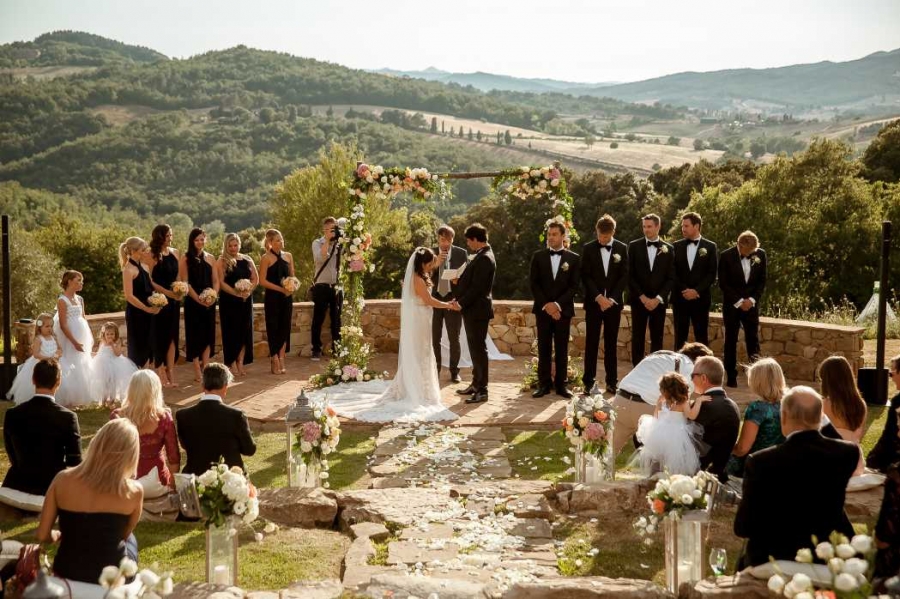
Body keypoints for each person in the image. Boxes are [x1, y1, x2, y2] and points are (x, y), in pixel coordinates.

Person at [320, 248, 460, 423]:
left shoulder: (420, 276)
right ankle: (414, 390)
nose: (432, 266)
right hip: (419, 320)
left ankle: (423, 389)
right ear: (422, 263)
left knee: (423, 352)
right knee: (418, 353)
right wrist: (449, 305)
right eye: (430, 263)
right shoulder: (417, 279)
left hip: (423, 318)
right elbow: (429, 301)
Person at [734, 386, 858, 568]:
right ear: (821, 417)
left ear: (783, 417)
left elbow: (743, 527)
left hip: (772, 558)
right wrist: (820, 420)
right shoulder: (846, 454)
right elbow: (837, 441)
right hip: (822, 556)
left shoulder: (761, 462)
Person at [36, 419, 142, 585]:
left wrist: (56, 534)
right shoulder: (134, 491)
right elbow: (123, 534)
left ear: (96, 443)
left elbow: (42, 534)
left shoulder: (62, 479)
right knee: (131, 539)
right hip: (113, 575)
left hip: (68, 570)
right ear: (131, 455)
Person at [611, 343, 713, 456]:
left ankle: (596, 472)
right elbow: (683, 401)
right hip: (646, 406)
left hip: (620, 399)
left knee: (609, 453)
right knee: (656, 457)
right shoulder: (689, 366)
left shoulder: (658, 354)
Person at [3, 359, 82, 495]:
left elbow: (12, 456)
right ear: (58, 382)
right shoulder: (68, 417)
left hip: (17, 485)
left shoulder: (12, 414)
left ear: (33, 380)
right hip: (51, 488)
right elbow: (75, 462)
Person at [530, 221, 581, 399]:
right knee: (543, 347)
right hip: (543, 310)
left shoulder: (573, 259)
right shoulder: (538, 256)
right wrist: (548, 305)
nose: (551, 237)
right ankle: (543, 384)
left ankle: (561, 385)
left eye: (554, 234)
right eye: (549, 234)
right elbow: (534, 284)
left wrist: (557, 305)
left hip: (563, 310)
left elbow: (574, 287)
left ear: (563, 236)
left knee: (561, 348)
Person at [176, 362, 257, 475]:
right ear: (225, 387)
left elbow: (185, 445)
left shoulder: (183, 415)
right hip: (230, 480)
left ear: (203, 386)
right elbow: (249, 450)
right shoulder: (236, 415)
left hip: (196, 477)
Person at [581, 214, 628, 394]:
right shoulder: (589, 248)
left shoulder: (622, 248)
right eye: (600, 236)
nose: (602, 239)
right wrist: (598, 297)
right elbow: (585, 276)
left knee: (611, 344)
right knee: (591, 343)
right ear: (597, 231)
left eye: (606, 237)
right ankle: (588, 382)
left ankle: (611, 382)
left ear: (613, 233)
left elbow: (624, 275)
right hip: (594, 304)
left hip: (613, 305)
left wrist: (612, 299)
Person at [451, 223, 496, 405]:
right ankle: (475, 384)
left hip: (477, 311)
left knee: (479, 351)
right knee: (474, 350)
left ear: (476, 240)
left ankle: (482, 389)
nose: (468, 244)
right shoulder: (481, 256)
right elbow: (472, 282)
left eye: (469, 241)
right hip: (473, 311)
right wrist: (458, 282)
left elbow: (478, 288)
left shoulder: (485, 258)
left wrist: (460, 303)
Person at [112, 370, 180, 487]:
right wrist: (172, 487)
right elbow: (173, 458)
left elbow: (111, 455)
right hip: (157, 482)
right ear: (156, 391)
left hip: (126, 480)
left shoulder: (117, 416)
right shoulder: (164, 418)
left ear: (132, 390)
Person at [718, 231, 767, 387]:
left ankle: (757, 377)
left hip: (751, 306)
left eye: (754, 251)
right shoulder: (726, 256)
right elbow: (723, 284)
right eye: (749, 251)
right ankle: (731, 376)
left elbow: (762, 280)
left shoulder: (761, 255)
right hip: (732, 306)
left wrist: (752, 300)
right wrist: (739, 301)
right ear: (740, 246)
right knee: (730, 341)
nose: (752, 253)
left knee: (753, 341)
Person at [634, 372, 707, 476]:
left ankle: (655, 478)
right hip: (677, 436)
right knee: (675, 461)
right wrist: (698, 402)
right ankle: (669, 480)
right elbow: (691, 415)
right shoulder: (683, 403)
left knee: (658, 459)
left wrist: (658, 404)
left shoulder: (666, 402)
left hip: (661, 435)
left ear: (666, 390)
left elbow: (656, 417)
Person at [726, 357, 786, 478]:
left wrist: (725, 450)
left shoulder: (758, 408)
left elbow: (742, 448)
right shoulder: (791, 403)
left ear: (758, 381)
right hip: (783, 463)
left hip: (757, 464)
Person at [628, 214, 675, 366]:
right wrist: (642, 297)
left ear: (658, 226)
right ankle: (637, 369)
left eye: (649, 226)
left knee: (657, 338)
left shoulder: (669, 249)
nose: (646, 230)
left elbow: (671, 278)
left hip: (658, 302)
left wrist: (658, 299)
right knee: (637, 337)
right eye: (644, 227)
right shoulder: (634, 246)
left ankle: (655, 369)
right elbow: (630, 275)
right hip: (638, 301)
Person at [689, 356, 741, 482]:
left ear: (703, 378)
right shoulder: (733, 405)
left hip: (700, 477)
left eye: (692, 376)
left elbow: (689, 444)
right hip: (720, 473)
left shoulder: (702, 406)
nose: (691, 380)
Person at [672, 212, 718, 349]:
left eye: (686, 226)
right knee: (679, 337)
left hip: (701, 299)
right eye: (682, 226)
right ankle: (678, 368)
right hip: (680, 299)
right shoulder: (676, 246)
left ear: (696, 226)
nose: (683, 229)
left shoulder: (710, 247)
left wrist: (696, 291)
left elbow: (712, 274)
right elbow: (672, 272)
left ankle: (703, 367)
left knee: (701, 336)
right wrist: (685, 290)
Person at [53, 270, 98, 407]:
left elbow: (83, 318)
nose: (81, 283)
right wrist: (74, 342)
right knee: (70, 362)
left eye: (81, 280)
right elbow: (63, 324)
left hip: (81, 333)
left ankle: (80, 397)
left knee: (82, 362)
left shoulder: (80, 299)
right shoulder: (62, 300)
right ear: (69, 281)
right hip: (69, 337)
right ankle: (67, 397)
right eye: (78, 280)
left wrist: (89, 336)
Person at [180, 227, 219, 382]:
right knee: (194, 335)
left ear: (205, 239)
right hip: (193, 302)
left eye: (202, 239)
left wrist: (212, 296)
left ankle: (207, 367)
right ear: (192, 241)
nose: (200, 242)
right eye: (196, 240)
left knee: (208, 335)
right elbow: (185, 282)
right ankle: (197, 369)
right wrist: (198, 299)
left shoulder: (211, 258)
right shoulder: (185, 258)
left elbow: (216, 281)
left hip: (209, 302)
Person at [217, 232, 258, 376]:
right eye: (230, 245)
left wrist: (248, 291)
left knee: (244, 332)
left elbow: (255, 279)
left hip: (245, 301)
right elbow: (221, 282)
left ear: (239, 245)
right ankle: (232, 362)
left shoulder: (247, 259)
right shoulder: (222, 260)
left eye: (235, 245)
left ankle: (240, 362)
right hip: (229, 302)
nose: (233, 248)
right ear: (226, 246)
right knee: (231, 332)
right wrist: (236, 293)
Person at [819, 355, 867, 475]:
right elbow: (858, 436)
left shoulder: (823, 404)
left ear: (827, 381)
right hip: (856, 463)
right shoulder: (861, 404)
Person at [431, 225, 467, 383]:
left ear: (453, 239)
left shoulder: (461, 253)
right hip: (434, 300)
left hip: (453, 300)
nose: (446, 243)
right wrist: (436, 264)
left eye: (449, 239)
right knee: (435, 338)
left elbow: (467, 278)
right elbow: (423, 275)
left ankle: (454, 372)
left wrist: (458, 281)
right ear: (438, 239)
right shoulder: (430, 253)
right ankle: (435, 370)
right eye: (442, 239)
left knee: (454, 338)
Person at [148, 224, 182, 387]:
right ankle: (160, 371)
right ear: (160, 237)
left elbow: (178, 275)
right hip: (160, 301)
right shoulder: (152, 255)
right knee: (160, 337)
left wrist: (180, 289)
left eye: (171, 235)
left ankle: (171, 372)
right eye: (168, 235)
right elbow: (150, 280)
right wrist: (167, 294)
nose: (171, 238)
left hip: (174, 301)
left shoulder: (175, 252)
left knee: (172, 338)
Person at [121, 236, 160, 369]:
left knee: (149, 348)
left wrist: (157, 303)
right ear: (133, 251)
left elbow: (150, 289)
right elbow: (129, 296)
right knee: (138, 349)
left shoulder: (144, 266)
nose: (146, 252)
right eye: (143, 250)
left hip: (148, 314)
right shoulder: (128, 270)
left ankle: (145, 381)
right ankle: (137, 382)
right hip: (137, 315)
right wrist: (146, 308)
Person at [259, 228, 294, 375]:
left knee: (285, 328)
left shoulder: (289, 256)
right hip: (273, 298)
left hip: (287, 298)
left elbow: (293, 276)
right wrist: (280, 289)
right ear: (270, 242)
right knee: (273, 328)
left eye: (281, 239)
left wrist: (292, 286)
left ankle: (282, 358)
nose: (281, 242)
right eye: (277, 240)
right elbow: (262, 281)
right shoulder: (266, 258)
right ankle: (274, 359)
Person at [6, 314, 61, 404]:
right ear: (40, 327)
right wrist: (48, 358)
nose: (50, 328)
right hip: (40, 363)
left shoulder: (54, 337)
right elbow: (36, 354)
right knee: (40, 381)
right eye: (47, 326)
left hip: (53, 363)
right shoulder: (38, 339)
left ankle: (54, 401)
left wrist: (58, 354)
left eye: (51, 326)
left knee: (55, 379)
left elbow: (59, 349)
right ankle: (36, 401)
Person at [310, 217, 342, 361]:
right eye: (329, 229)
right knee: (318, 319)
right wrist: (327, 241)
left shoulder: (341, 244)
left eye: (334, 229)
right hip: (321, 287)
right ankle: (316, 349)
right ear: (324, 230)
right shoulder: (317, 243)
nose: (332, 232)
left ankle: (337, 349)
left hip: (336, 286)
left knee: (337, 319)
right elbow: (320, 258)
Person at [867, 354, 900, 472]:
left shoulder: (897, 402)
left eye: (892, 374)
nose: (891, 378)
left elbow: (889, 436)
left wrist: (871, 460)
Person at [92, 322, 138, 404]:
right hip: (102, 365)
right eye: (108, 334)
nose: (110, 336)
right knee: (104, 383)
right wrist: (94, 355)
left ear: (115, 334)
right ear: (104, 334)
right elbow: (100, 352)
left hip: (114, 365)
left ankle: (112, 400)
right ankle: (103, 400)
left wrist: (113, 345)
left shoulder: (117, 342)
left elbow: (118, 354)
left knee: (113, 383)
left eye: (112, 334)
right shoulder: (102, 342)